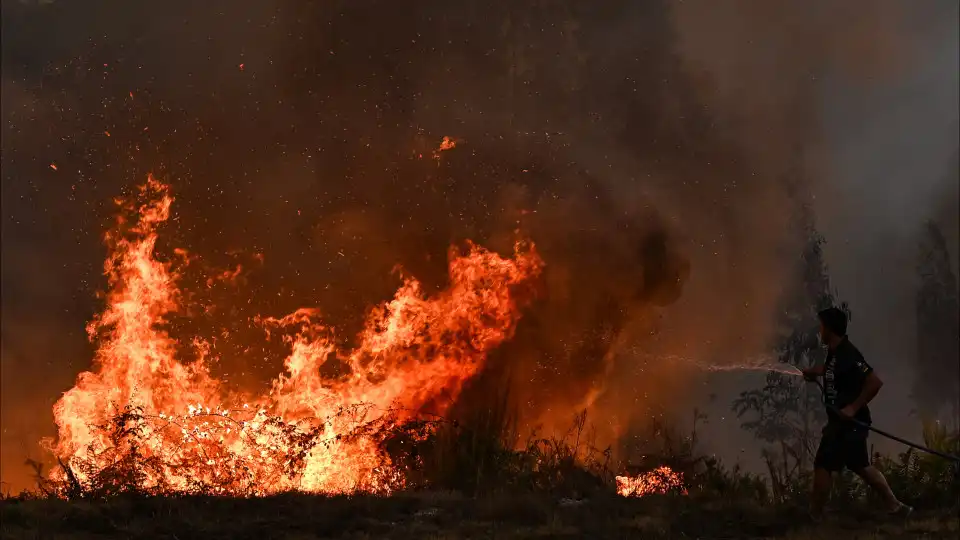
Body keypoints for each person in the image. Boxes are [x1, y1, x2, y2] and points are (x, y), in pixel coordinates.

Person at [801, 307, 912, 521]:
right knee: (859, 465)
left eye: (822, 326)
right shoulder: (835, 352)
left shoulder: (849, 354)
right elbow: (833, 369)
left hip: (850, 423)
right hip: (842, 423)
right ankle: (896, 507)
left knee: (823, 464)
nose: (820, 330)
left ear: (830, 329)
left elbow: (874, 382)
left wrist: (852, 408)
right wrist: (817, 371)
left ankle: (815, 514)